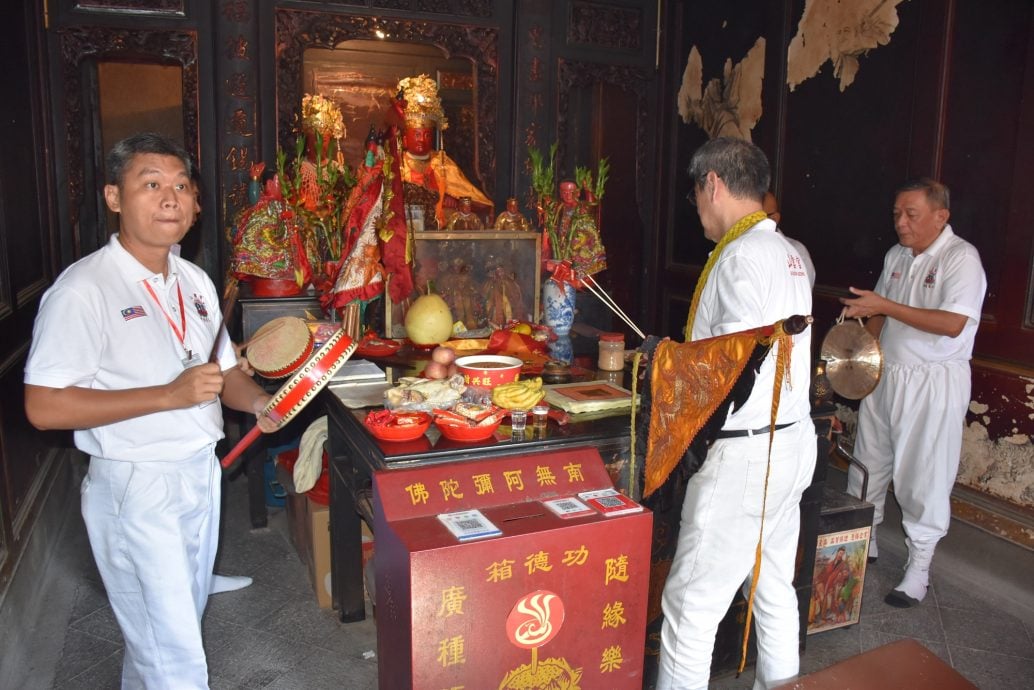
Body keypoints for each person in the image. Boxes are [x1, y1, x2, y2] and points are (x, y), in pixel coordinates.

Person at [23, 132, 278, 687]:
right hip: (136, 486)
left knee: (166, 633)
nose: (171, 198)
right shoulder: (83, 289)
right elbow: (43, 407)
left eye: (182, 186)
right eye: (152, 184)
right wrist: (168, 394)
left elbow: (223, 374)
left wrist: (258, 403)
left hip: (199, 473)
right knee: (175, 656)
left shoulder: (194, 281)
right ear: (113, 198)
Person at [657, 137, 815, 689]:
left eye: (696, 192)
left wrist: (667, 362)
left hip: (746, 452)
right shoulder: (790, 250)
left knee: (690, 608)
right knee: (771, 588)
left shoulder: (741, 255)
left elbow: (733, 365)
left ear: (713, 184)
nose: (696, 205)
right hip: (790, 440)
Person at [840, 178, 986, 608]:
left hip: (933, 381)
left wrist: (883, 306)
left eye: (911, 214)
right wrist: (862, 356)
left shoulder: (962, 259)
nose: (901, 223)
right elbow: (879, 313)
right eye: (896, 214)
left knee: (923, 475)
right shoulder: (897, 256)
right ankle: (861, 544)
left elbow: (952, 323)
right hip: (888, 375)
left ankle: (919, 567)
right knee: (868, 464)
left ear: (941, 216)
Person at [395, 74, 493, 229]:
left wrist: (456, 202)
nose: (422, 140)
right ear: (406, 138)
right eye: (417, 134)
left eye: (427, 135)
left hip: (441, 230)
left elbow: (476, 201)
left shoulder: (442, 163)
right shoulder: (397, 164)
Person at [763, 191, 816, 288]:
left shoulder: (797, 251)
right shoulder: (739, 246)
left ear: (774, 218)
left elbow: (801, 296)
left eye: (756, 217)